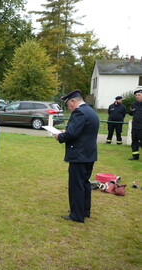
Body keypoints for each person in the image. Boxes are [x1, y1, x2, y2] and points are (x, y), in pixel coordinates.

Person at [54, 90, 99, 223]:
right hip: (88, 154)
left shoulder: (79, 112)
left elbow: (72, 134)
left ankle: (76, 215)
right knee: (84, 183)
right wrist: (66, 131)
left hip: (79, 155)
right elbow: (81, 131)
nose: (69, 108)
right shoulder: (90, 111)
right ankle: (84, 210)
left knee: (76, 185)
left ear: (74, 101)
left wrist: (59, 136)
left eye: (68, 105)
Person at [128, 89, 142, 160]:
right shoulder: (134, 104)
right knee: (134, 141)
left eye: (139, 95)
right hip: (135, 127)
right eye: (136, 95)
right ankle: (135, 156)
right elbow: (131, 113)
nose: (137, 96)